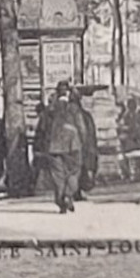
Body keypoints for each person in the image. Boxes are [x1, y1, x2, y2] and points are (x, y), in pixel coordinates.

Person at [44, 81, 84, 213]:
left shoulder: (51, 108)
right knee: (73, 171)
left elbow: (44, 128)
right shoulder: (74, 108)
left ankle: (62, 201)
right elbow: (81, 127)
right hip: (72, 144)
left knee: (58, 175)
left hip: (54, 145)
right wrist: (83, 141)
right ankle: (68, 195)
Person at [71, 88, 98, 200]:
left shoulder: (75, 115)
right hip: (83, 146)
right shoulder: (86, 115)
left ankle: (75, 191)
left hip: (78, 145)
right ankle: (76, 191)